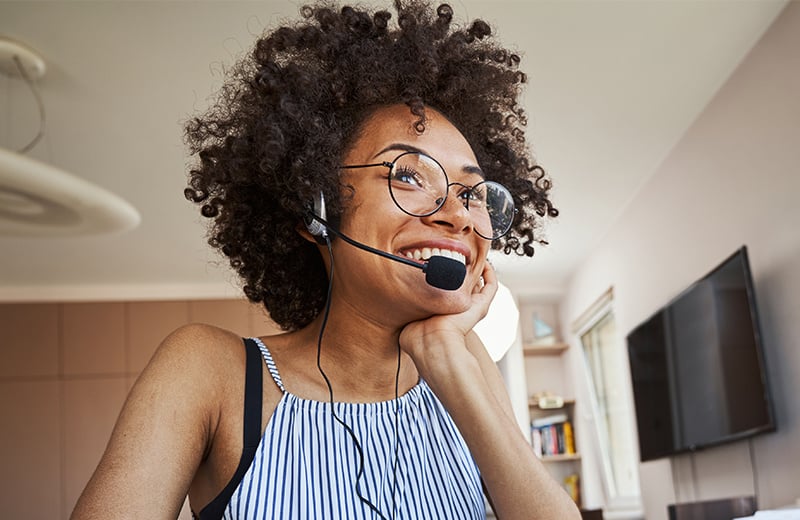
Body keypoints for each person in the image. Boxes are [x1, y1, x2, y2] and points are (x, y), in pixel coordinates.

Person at [72, 1, 580, 519]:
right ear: (315, 208)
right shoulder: (209, 370)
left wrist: (450, 356)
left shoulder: (467, 365)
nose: (458, 214)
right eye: (407, 175)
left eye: (473, 194)